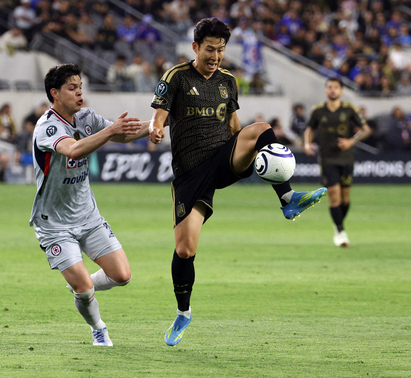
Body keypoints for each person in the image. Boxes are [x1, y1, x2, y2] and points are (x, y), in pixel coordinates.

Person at [149, 18, 327, 347]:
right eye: (210, 49)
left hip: (221, 159)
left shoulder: (228, 81)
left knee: (259, 130)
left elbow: (234, 125)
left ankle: (287, 200)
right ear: (195, 48)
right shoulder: (176, 77)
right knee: (185, 249)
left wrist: (249, 150)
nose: (216, 55)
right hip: (190, 174)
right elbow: (159, 113)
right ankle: (183, 313)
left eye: (221, 49)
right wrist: (155, 128)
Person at [29, 63, 150, 347]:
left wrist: (163, 122)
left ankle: (80, 283)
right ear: (55, 94)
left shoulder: (87, 118)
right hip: (54, 224)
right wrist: (110, 132)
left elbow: (124, 133)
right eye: (72, 88)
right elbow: (72, 148)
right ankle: (98, 328)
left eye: (80, 87)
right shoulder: (47, 127)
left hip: (88, 216)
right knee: (83, 289)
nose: (79, 93)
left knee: (122, 275)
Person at [303, 78, 371, 248]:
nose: (333, 90)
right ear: (326, 91)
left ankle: (337, 224)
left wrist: (351, 141)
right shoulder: (318, 111)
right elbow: (310, 129)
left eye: (336, 87)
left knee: (345, 199)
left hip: (346, 158)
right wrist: (307, 143)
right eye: (330, 87)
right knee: (334, 196)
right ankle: (340, 232)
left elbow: (365, 129)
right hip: (327, 158)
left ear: (341, 91)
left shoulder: (349, 110)